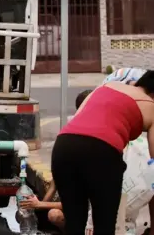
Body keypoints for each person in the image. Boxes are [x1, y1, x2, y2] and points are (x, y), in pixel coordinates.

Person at [51, 70, 154, 234]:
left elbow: (79, 116)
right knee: (104, 224)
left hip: (64, 146)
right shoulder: (150, 105)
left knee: (74, 221)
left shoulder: (105, 86)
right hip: (102, 152)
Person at [18, 90, 94, 233]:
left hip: (86, 212)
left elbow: (74, 204)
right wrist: (39, 201)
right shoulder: (65, 165)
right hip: (72, 209)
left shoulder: (84, 168)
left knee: (55, 214)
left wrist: (40, 204)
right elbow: (52, 194)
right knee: (47, 214)